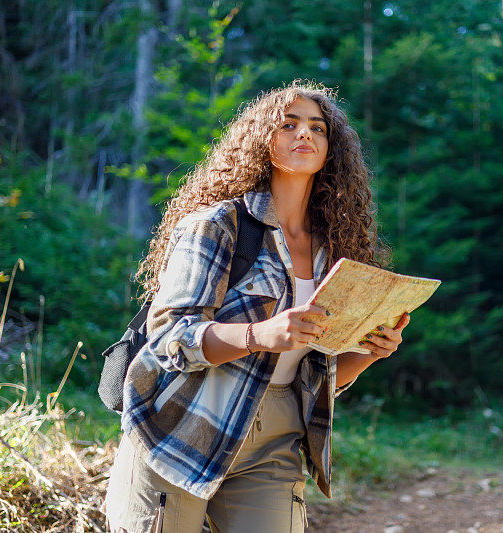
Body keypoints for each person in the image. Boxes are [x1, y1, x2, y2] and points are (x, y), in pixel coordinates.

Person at [104, 81, 410, 533]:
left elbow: (315, 373)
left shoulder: (335, 251)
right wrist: (259, 335)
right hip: (182, 425)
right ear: (262, 140)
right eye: (289, 124)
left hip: (274, 439)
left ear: (331, 149)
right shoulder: (219, 225)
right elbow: (169, 338)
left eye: (318, 128)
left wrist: (369, 352)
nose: (305, 133)